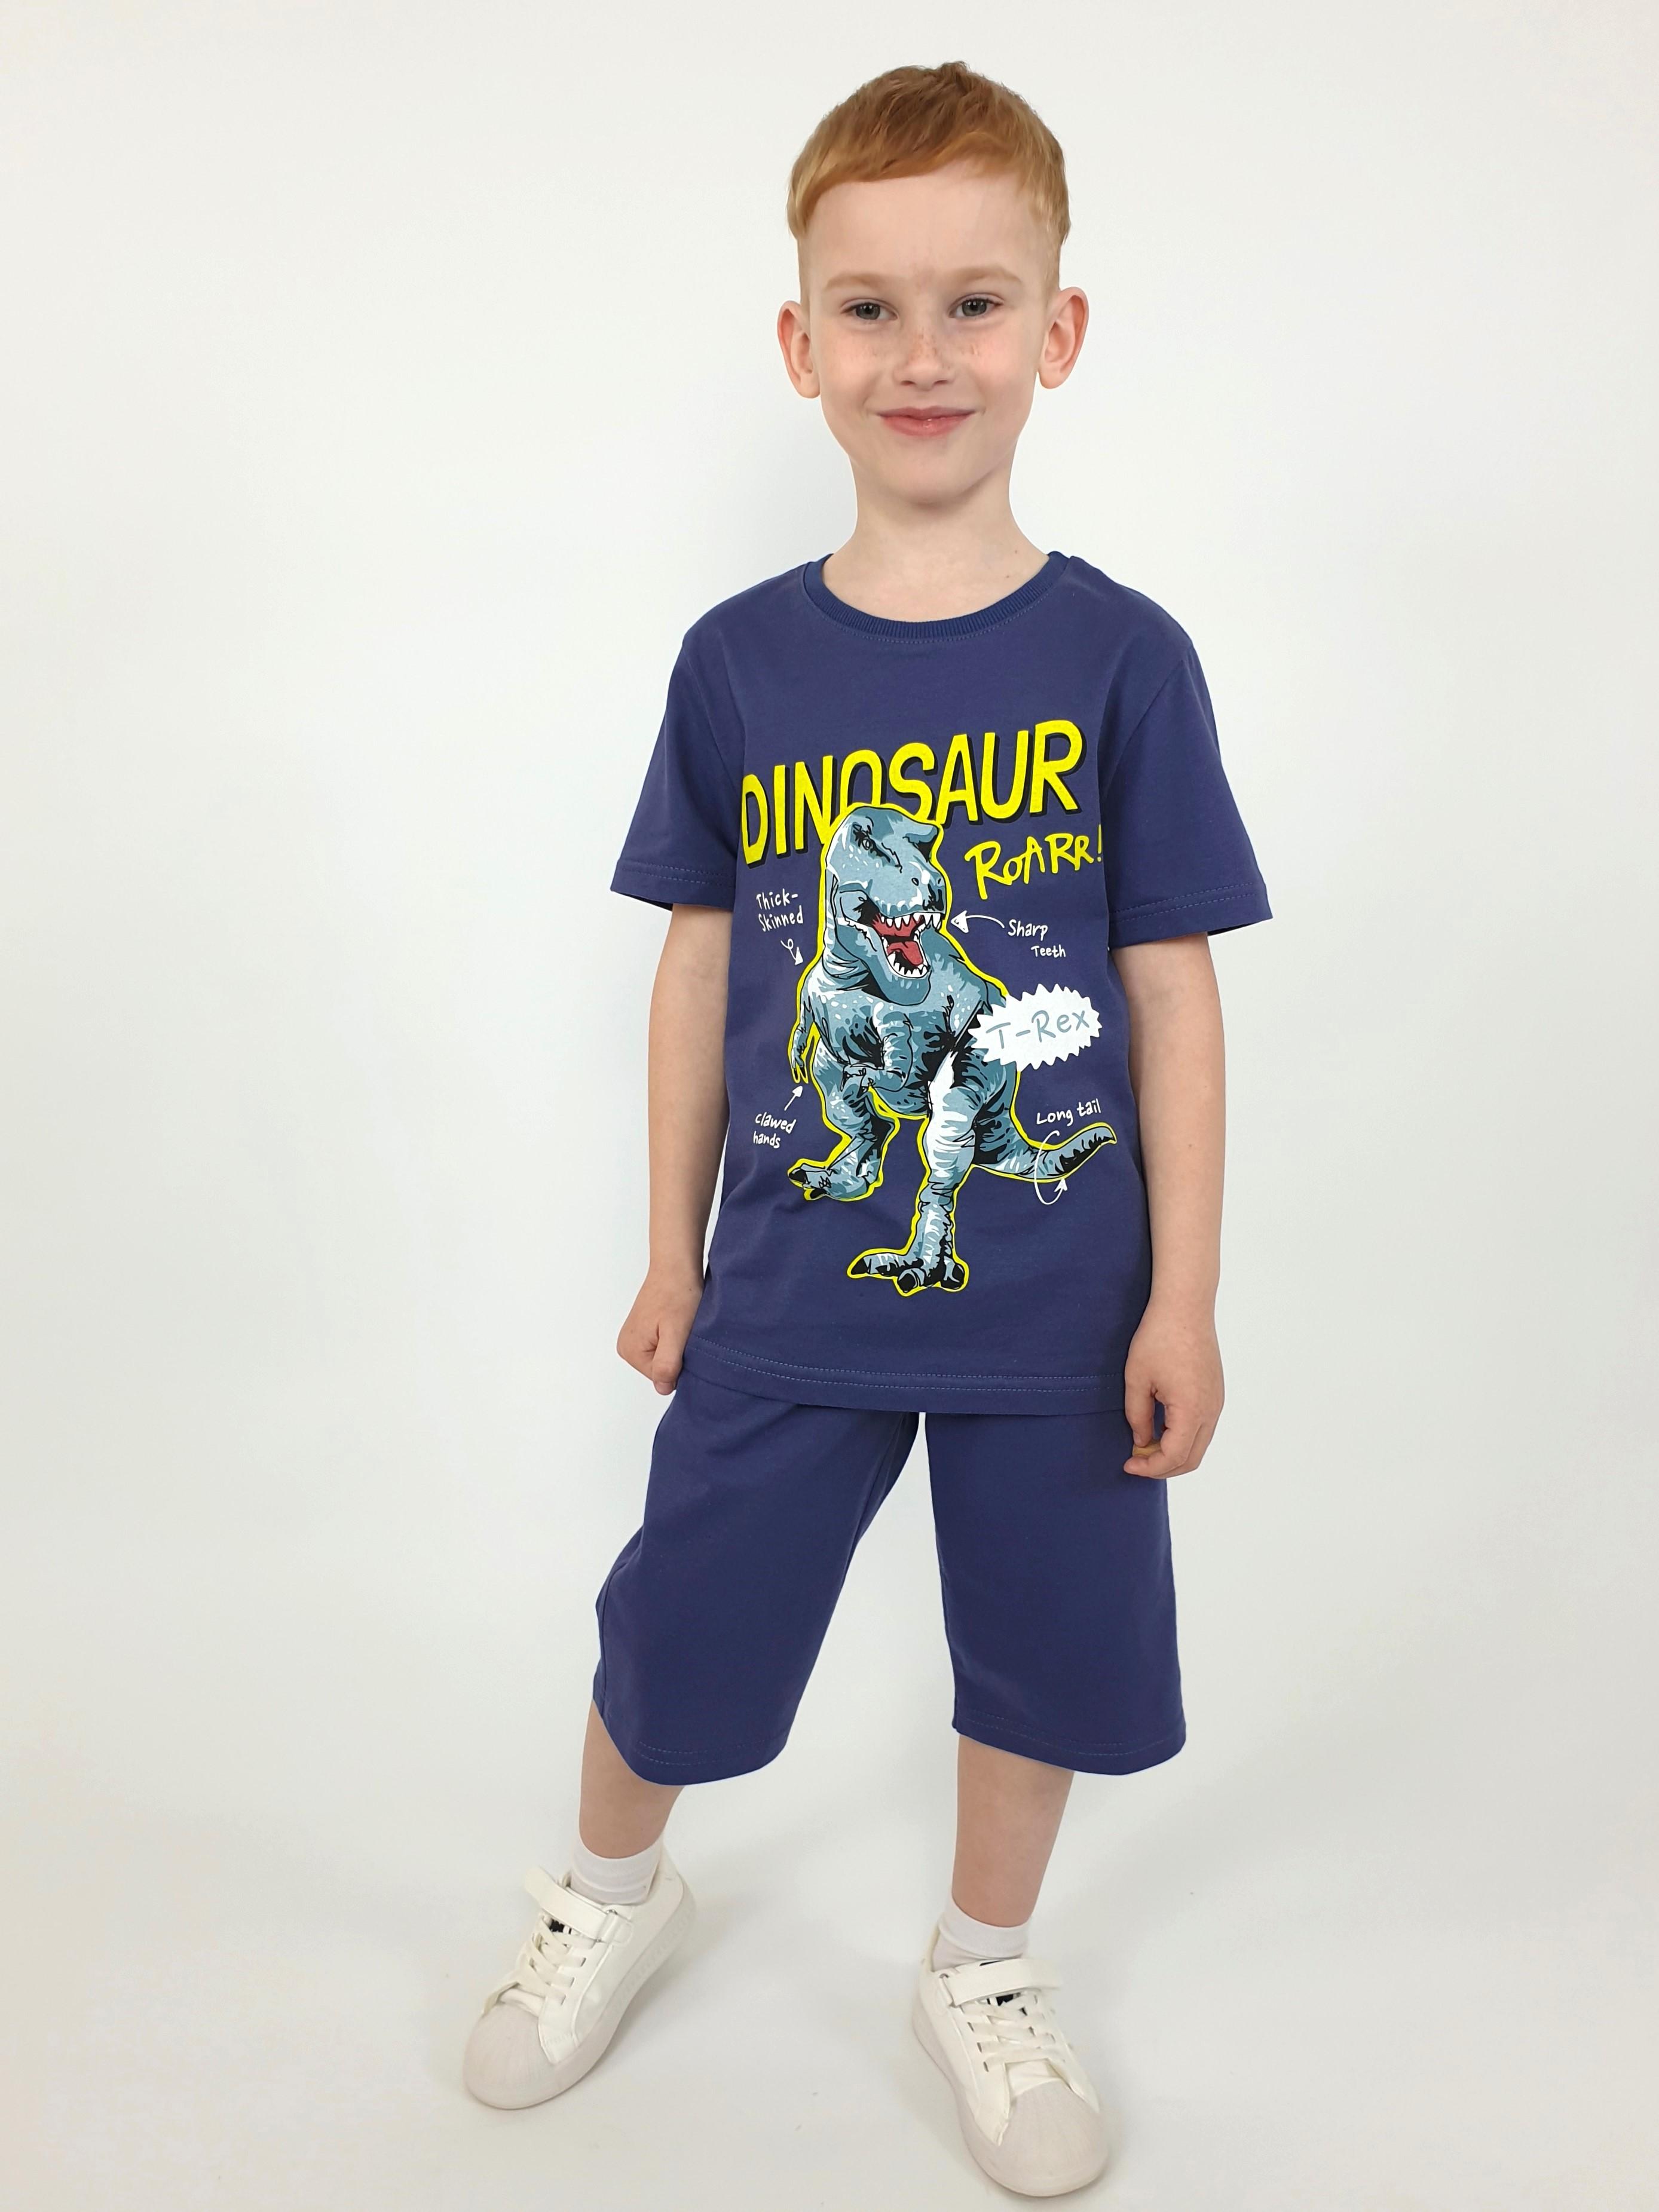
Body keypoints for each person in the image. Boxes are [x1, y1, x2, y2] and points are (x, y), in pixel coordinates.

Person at [461, 59, 1271, 2198]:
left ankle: (983, 1962)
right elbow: (699, 968)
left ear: (1057, 334)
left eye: (975, 304)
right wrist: (670, 1253)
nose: (925, 354)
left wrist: (1183, 1296)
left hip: (1060, 1301)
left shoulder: (1126, 657)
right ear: (801, 341)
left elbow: (1172, 993)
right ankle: (611, 1894)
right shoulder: (740, 664)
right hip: (792, 1280)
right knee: (683, 1617)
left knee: (1048, 1650)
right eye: (874, 308)